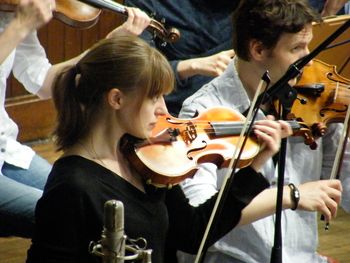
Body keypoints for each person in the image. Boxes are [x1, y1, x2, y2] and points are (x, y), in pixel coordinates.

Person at [25, 33, 341, 263]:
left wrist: (255, 167)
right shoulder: (71, 185)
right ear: (116, 99)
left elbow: (193, 232)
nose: (165, 111)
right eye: (154, 97)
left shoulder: (145, 157)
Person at [178, 0, 350, 262]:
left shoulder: (318, 106)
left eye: (308, 45)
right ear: (258, 49)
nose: (309, 57)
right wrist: (291, 196)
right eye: (296, 48)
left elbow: (346, 193)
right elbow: (201, 219)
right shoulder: (202, 111)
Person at [0, 0, 151, 238]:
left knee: (102, 201)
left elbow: (44, 82)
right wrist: (19, 26)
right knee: (79, 216)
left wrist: (106, 46)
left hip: (6, 151)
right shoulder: (17, 21)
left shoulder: (9, 12)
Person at [124, 0, 238, 116]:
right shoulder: (150, 3)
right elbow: (139, 73)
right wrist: (193, 66)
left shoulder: (246, 9)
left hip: (226, 115)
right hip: (163, 112)